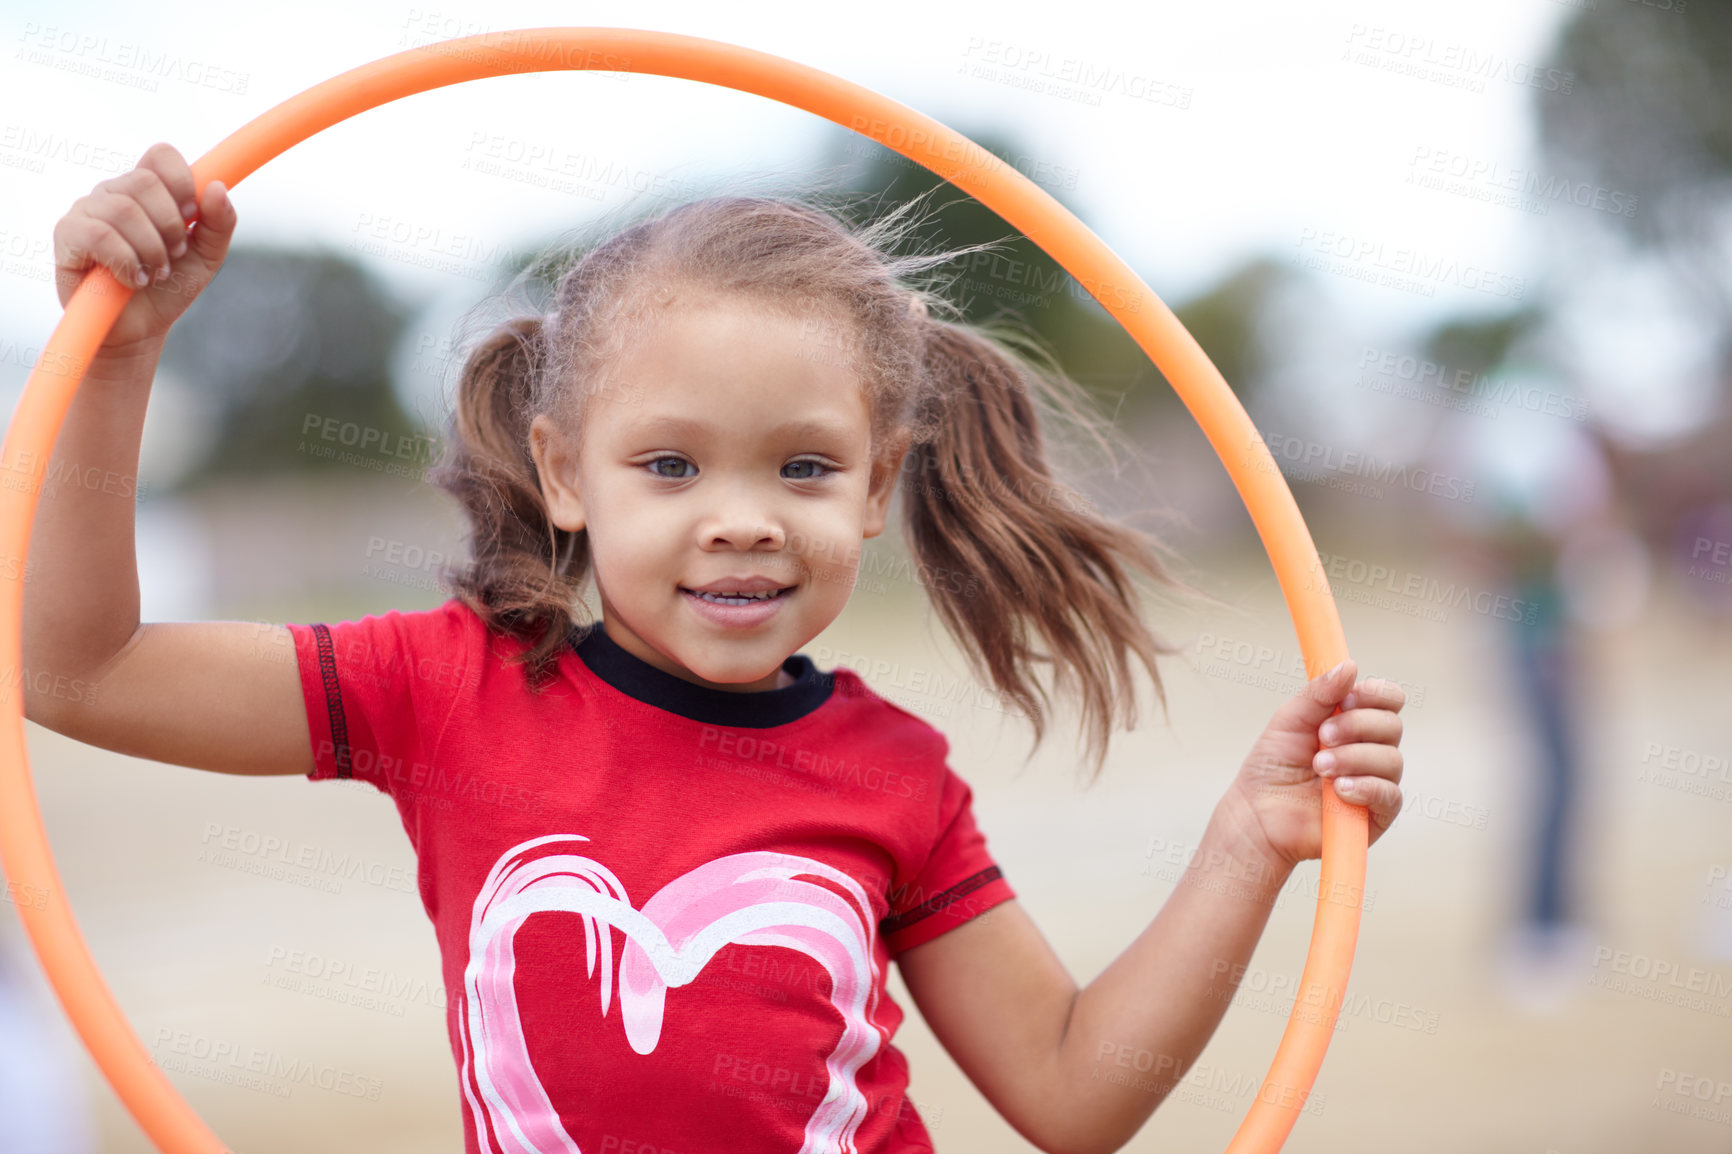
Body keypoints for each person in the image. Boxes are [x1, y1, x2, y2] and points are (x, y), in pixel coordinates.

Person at [25, 142, 1406, 1154]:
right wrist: (123, 355)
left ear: (878, 484)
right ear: (567, 474)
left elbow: (1072, 1087)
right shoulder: (447, 688)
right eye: (672, 464)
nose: (741, 520)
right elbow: (75, 670)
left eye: (804, 466)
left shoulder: (890, 774)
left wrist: (1248, 843)